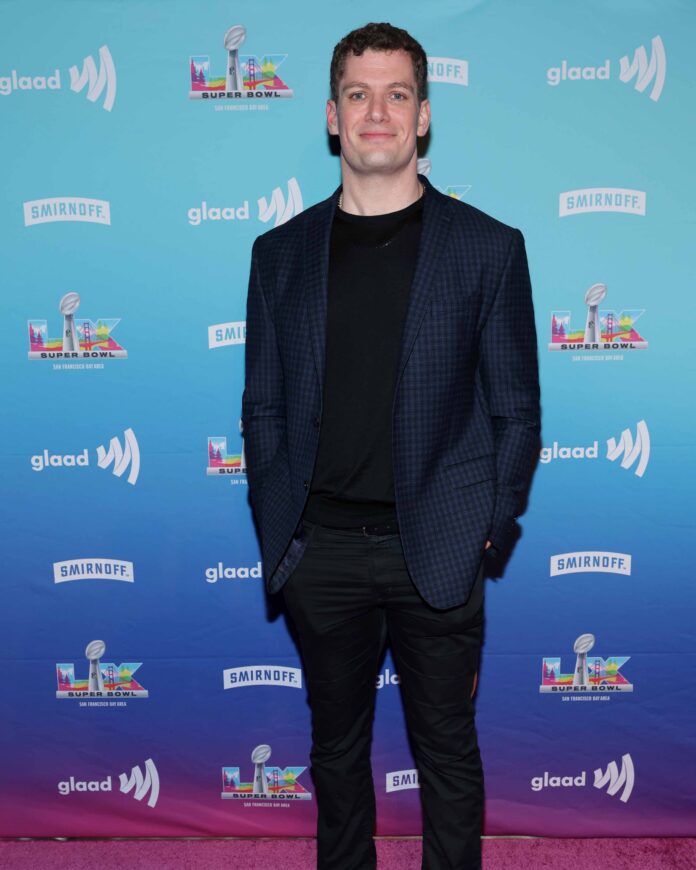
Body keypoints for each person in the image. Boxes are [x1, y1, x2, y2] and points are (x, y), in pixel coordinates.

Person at [241, 21, 540, 870]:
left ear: (424, 116)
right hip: (321, 551)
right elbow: (262, 408)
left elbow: (517, 410)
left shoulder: (488, 249)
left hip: (438, 548)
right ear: (333, 116)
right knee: (335, 756)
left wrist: (491, 523)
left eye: (396, 94)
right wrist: (279, 527)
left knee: (447, 755)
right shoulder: (278, 255)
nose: (378, 112)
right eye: (359, 94)